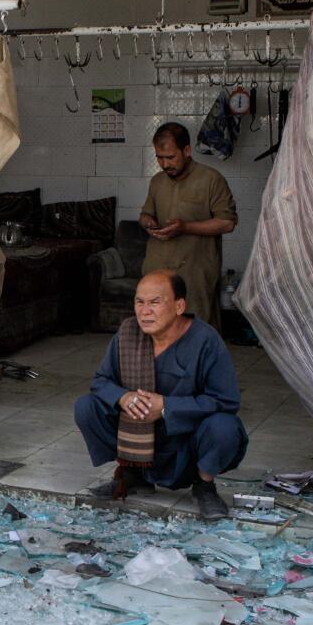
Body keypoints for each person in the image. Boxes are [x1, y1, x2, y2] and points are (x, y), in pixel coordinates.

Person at [74, 269, 248, 520]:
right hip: (138, 436)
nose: (144, 311)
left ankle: (204, 486)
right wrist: (124, 397)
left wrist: (166, 407)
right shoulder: (128, 333)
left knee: (225, 426)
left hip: (185, 441)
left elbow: (226, 400)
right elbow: (101, 381)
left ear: (179, 306)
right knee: (87, 406)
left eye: (155, 302)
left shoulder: (205, 340)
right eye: (139, 302)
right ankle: (132, 473)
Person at [138, 122, 237, 326]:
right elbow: (145, 214)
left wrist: (185, 227)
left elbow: (227, 223)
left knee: (194, 331)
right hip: (157, 270)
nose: (165, 164)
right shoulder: (157, 181)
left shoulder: (211, 179)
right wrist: (148, 221)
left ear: (187, 150)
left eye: (170, 157)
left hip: (194, 273)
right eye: (159, 157)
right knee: (157, 329)